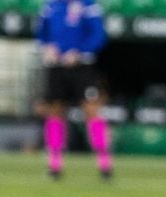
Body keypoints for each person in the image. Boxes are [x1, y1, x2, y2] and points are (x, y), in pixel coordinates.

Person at [36, 0, 112, 179]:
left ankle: (104, 163)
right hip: (56, 65)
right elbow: (41, 33)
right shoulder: (51, 6)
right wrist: (47, 47)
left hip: (82, 66)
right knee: (55, 110)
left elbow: (98, 35)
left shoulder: (89, 5)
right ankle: (54, 164)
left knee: (91, 109)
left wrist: (79, 52)